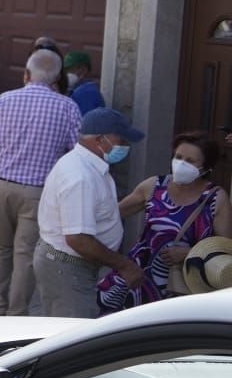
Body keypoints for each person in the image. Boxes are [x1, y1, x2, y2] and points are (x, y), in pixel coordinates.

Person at [0, 49, 82, 315]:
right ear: (57, 77)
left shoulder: (3, 100)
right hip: (38, 191)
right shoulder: (67, 106)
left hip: (1, 185)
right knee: (25, 255)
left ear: (26, 73)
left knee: (0, 247)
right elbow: (76, 150)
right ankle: (16, 313)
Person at [97, 131, 231, 313]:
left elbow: (225, 249)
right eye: (178, 157)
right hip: (138, 278)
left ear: (206, 168)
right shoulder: (154, 186)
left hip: (184, 286)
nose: (181, 164)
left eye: (190, 161)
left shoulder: (215, 198)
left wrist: (190, 253)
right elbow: (113, 214)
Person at [33, 108, 146, 318]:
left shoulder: (88, 165)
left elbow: (96, 213)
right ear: (100, 140)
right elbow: (78, 239)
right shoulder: (81, 176)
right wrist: (124, 265)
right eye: (121, 139)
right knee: (71, 337)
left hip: (69, 267)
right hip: (67, 270)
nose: (125, 145)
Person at [63, 50, 106, 116]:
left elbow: (82, 122)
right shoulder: (79, 88)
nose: (66, 73)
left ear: (83, 70)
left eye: (70, 69)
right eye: (65, 70)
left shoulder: (87, 93)